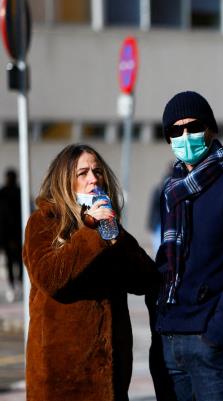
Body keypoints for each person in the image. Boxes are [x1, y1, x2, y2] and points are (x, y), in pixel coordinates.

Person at [152, 91, 223, 401]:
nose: (185, 136)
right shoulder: (171, 190)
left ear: (211, 130)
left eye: (194, 127)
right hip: (169, 335)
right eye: (176, 130)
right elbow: (166, 262)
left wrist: (215, 331)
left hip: (208, 340)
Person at [22, 144, 159, 401]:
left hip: (110, 377)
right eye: (82, 173)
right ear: (64, 180)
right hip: (61, 377)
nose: (93, 179)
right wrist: (91, 232)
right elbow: (52, 279)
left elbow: (147, 279)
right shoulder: (44, 221)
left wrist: (118, 239)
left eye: (97, 171)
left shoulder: (107, 227)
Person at [0, 168, 22, 302]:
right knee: (10, 262)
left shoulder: (19, 192)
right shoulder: (3, 193)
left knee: (18, 261)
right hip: (7, 235)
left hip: (16, 235)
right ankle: (12, 286)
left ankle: (17, 284)